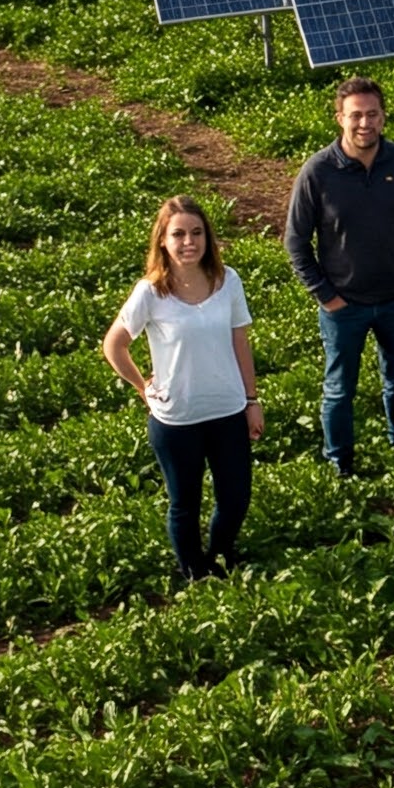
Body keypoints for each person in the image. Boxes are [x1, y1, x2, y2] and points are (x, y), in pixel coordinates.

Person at [102, 196, 260, 583]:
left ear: (207, 237)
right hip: (177, 419)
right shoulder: (151, 292)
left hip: (227, 410)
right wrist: (143, 387)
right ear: (163, 241)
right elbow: (114, 345)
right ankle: (195, 573)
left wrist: (252, 401)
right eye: (178, 234)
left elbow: (241, 342)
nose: (189, 241)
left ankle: (221, 558)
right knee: (184, 504)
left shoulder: (228, 282)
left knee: (235, 499)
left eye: (196, 232)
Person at [284, 76, 394, 479]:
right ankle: (340, 463)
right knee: (339, 390)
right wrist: (325, 295)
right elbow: (296, 240)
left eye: (372, 114)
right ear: (340, 118)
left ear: (384, 117)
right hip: (344, 305)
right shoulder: (318, 171)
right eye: (356, 115)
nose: (364, 123)